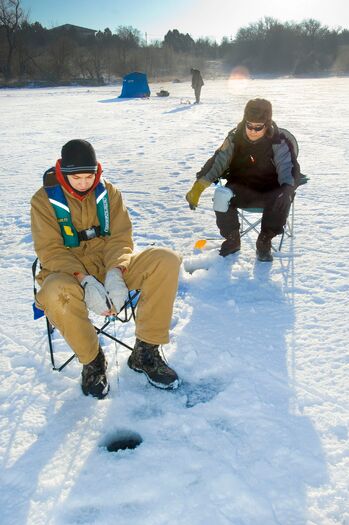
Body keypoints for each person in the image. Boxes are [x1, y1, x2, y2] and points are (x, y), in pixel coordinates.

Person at [31, 139, 182, 399]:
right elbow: (50, 250)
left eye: (89, 177)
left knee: (165, 260)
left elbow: (120, 238)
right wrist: (84, 279)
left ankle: (145, 352)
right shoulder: (43, 201)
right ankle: (93, 362)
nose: (83, 183)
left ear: (97, 172)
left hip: (109, 263)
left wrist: (116, 272)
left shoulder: (109, 193)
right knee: (56, 292)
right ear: (62, 173)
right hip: (68, 272)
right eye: (76, 178)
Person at [185, 98, 300, 261]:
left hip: (270, 190)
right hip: (241, 188)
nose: (253, 131)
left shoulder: (279, 141)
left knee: (282, 197)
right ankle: (232, 238)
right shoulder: (234, 138)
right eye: (249, 125)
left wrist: (287, 189)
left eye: (258, 127)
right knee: (221, 195)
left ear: (266, 124)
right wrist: (198, 187)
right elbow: (217, 162)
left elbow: (287, 168)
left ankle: (264, 240)